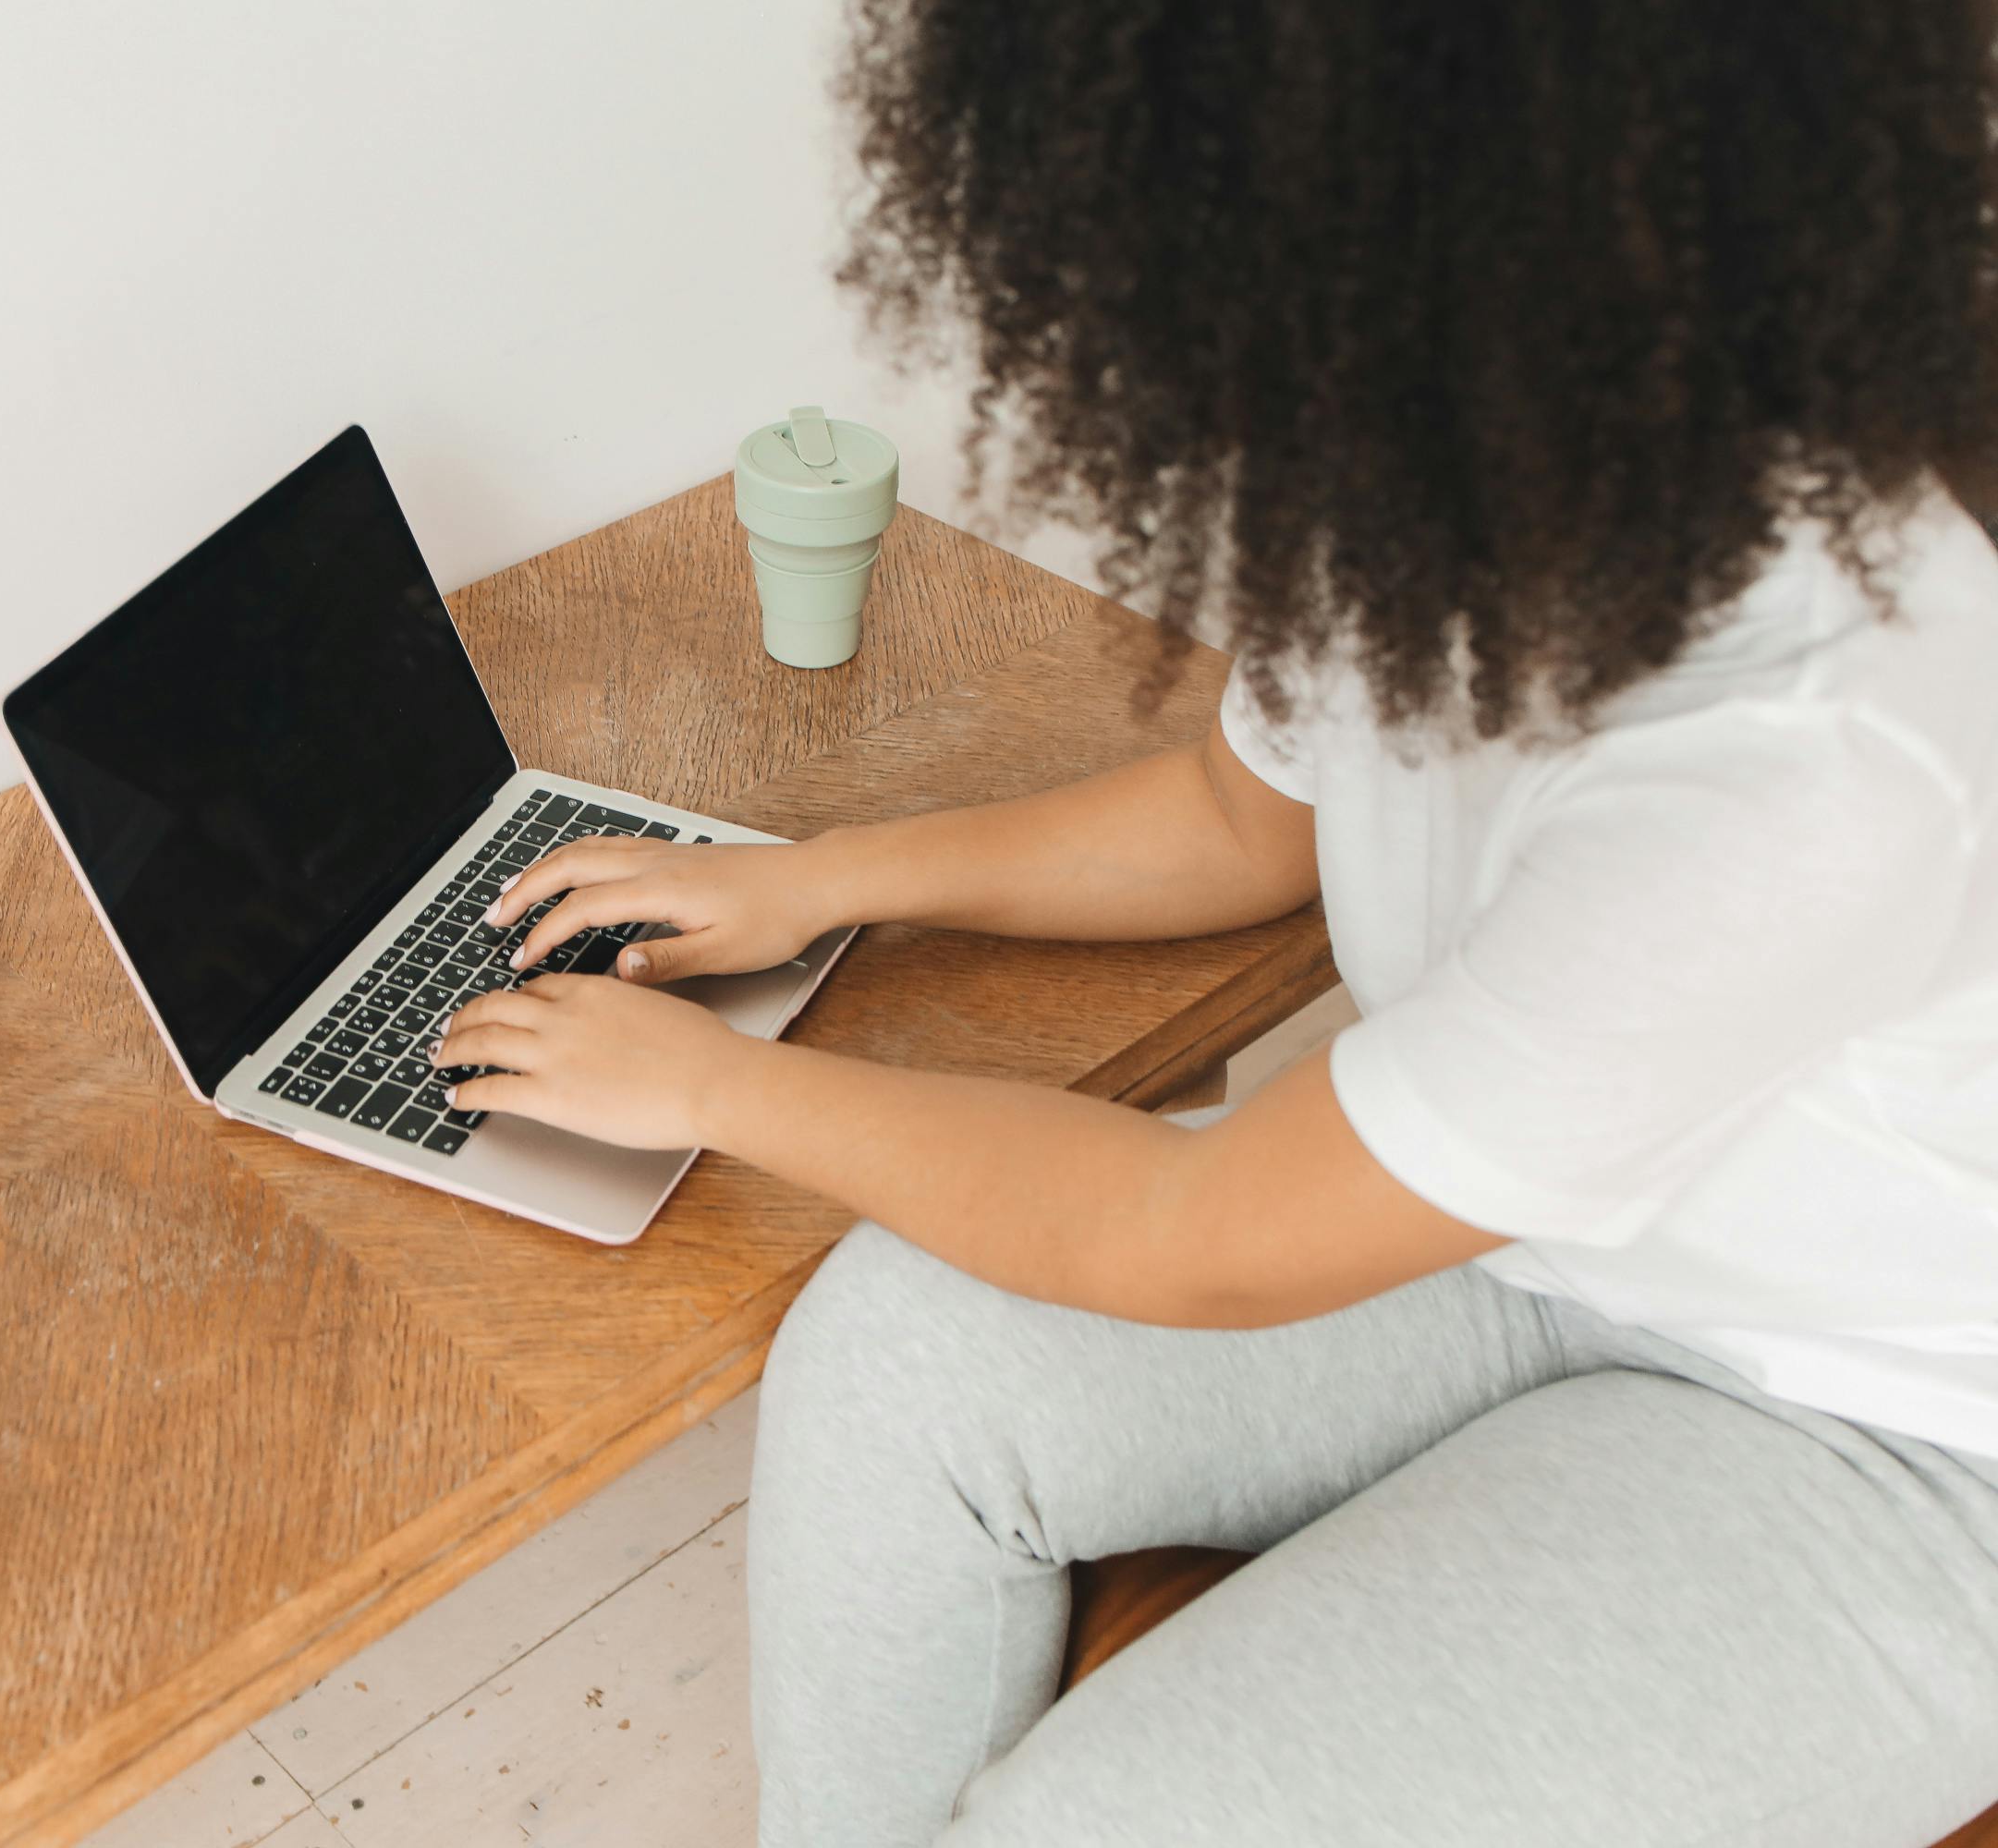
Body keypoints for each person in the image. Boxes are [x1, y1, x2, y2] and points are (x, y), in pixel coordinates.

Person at [425, 2, 1998, 1842]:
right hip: (1539, 1238)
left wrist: (715, 1089)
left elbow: (1200, 1236)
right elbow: (1239, 811)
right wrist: (815, 874)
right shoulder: (1449, 477)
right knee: (893, 1363)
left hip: (1881, 1430)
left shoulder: (1821, 748)